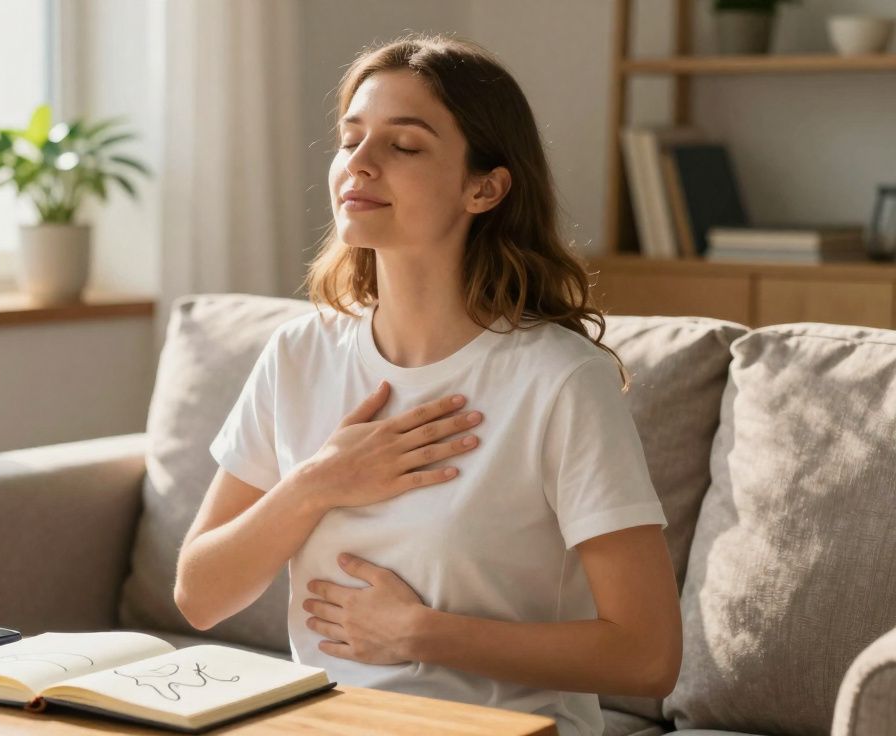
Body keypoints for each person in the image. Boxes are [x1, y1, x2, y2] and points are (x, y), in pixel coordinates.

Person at [172, 34, 682, 736]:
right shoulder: (298, 354)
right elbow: (199, 595)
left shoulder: (560, 381)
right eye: (351, 139)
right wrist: (319, 482)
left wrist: (421, 634)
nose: (360, 163)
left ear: (485, 187)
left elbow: (648, 654)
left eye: (403, 146)